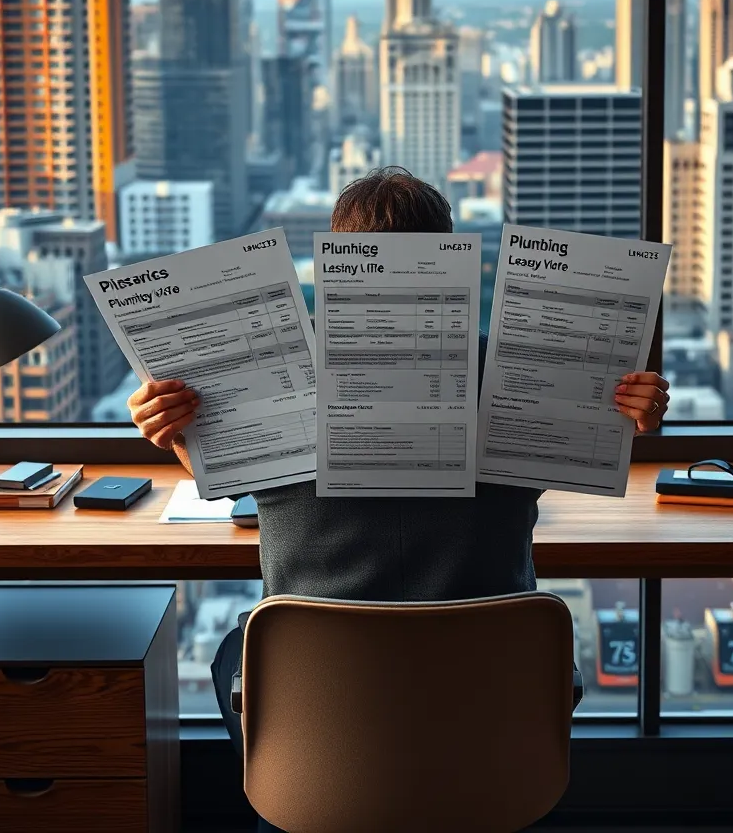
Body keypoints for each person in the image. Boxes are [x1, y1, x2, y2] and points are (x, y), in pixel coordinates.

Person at [128, 168, 669, 828]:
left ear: (334, 276)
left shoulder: (281, 392)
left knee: (234, 651)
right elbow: (576, 444)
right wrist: (630, 417)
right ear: (452, 269)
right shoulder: (514, 382)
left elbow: (230, 471)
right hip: (491, 755)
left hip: (321, 758)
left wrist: (177, 436)